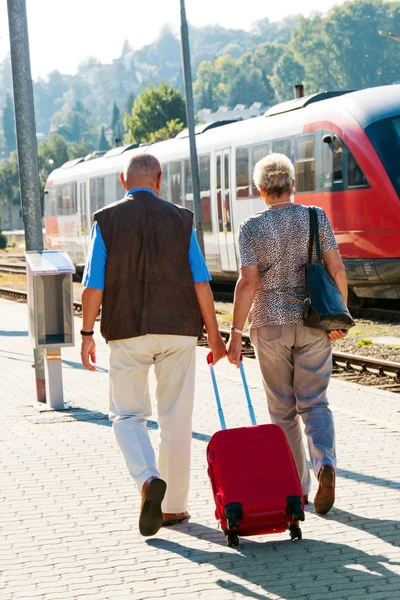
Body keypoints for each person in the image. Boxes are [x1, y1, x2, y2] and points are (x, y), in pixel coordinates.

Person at [80, 153, 226, 537]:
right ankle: (174, 508)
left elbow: (93, 284)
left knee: (127, 415)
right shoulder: (182, 219)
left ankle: (147, 481)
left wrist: (86, 334)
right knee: (177, 419)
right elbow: (200, 283)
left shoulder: (106, 220)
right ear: (160, 179)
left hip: (128, 330)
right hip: (178, 331)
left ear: (122, 180)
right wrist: (214, 333)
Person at [227, 153, 348, 515]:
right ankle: (324, 461)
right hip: (312, 322)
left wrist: (235, 334)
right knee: (314, 403)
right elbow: (336, 267)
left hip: (269, 325)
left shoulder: (251, 228)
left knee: (282, 411)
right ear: (292, 186)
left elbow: (248, 283)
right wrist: (340, 316)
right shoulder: (316, 216)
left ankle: (297, 487)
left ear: (261, 190)